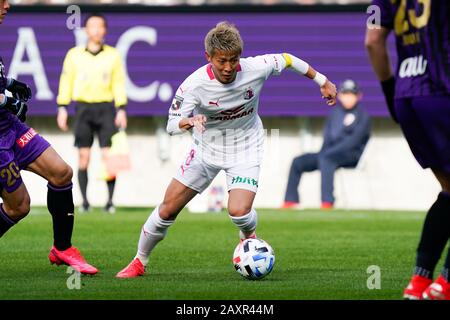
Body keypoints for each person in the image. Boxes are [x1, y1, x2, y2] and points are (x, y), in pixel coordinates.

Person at [115, 21, 337, 278]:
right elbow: (171, 125)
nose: (229, 67)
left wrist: (322, 80)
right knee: (167, 209)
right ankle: (139, 261)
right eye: (222, 61)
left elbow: (287, 59)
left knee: (239, 212)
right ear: (208, 57)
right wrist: (188, 121)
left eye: (234, 60)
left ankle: (249, 236)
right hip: (205, 152)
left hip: (246, 149)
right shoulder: (193, 85)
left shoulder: (256, 67)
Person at [0, 0, 97, 274]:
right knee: (18, 207)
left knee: (61, 173)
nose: (7, 6)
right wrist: (7, 100)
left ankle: (62, 249)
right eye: (3, 1)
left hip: (10, 127)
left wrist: (8, 84)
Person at [366, 0, 450, 300]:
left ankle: (420, 281)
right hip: (441, 91)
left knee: (448, 190)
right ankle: (446, 283)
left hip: (406, 97)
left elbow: (372, 41)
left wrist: (390, 91)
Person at [56, 13, 127, 214]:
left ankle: (110, 202)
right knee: (83, 157)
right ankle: (85, 202)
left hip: (106, 108)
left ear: (105, 30)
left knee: (109, 157)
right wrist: (62, 107)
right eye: (92, 26)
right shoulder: (74, 55)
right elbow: (66, 81)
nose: (96, 30)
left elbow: (119, 83)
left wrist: (121, 109)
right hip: (83, 109)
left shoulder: (113, 55)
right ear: (86, 30)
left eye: (100, 26)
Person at [282, 79, 371, 210]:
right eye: (345, 94)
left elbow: (353, 142)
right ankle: (290, 201)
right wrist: (325, 153)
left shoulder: (363, 116)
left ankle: (327, 202)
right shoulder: (335, 113)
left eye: (351, 94)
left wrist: (329, 153)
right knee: (298, 162)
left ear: (358, 96)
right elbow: (327, 138)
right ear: (340, 95)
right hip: (327, 154)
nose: (348, 97)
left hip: (351, 156)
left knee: (327, 159)